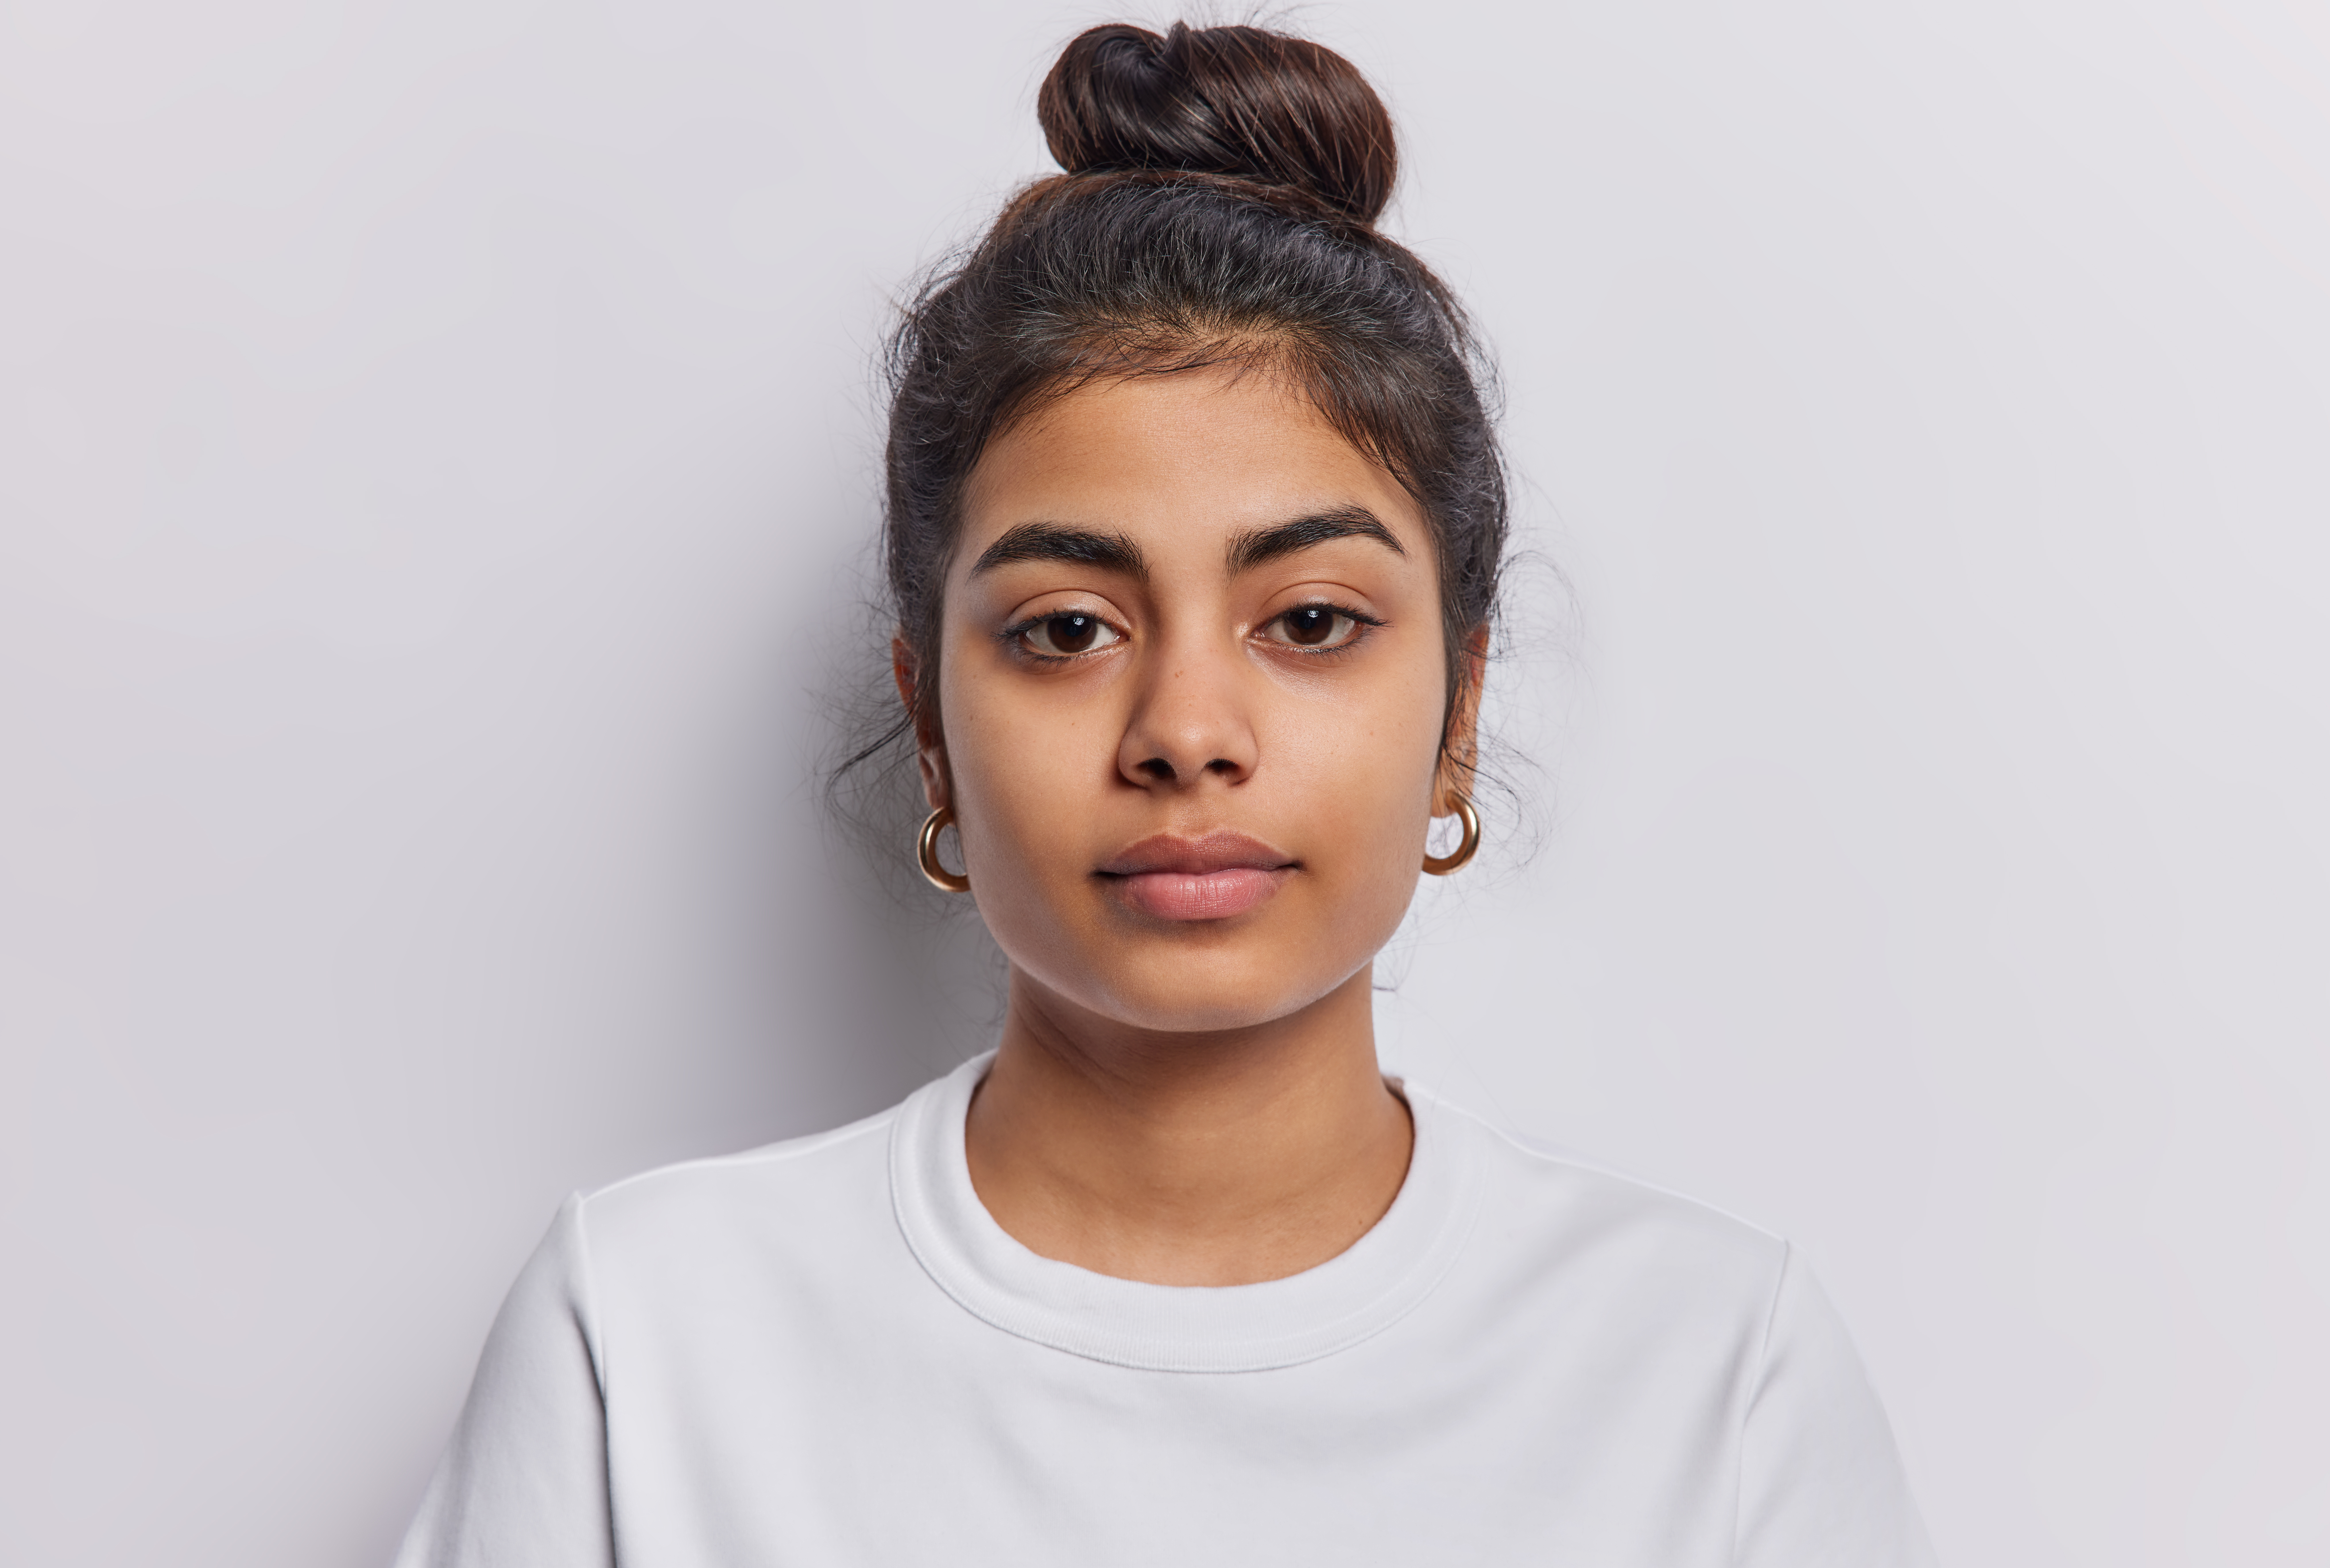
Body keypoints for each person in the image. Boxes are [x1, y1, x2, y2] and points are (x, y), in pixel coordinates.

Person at [395, 21, 1935, 1567]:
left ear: (1459, 712)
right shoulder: (649, 1343)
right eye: (1069, 629)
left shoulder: (1716, 1371)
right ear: (931, 724)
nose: (1186, 733)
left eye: (1311, 622)